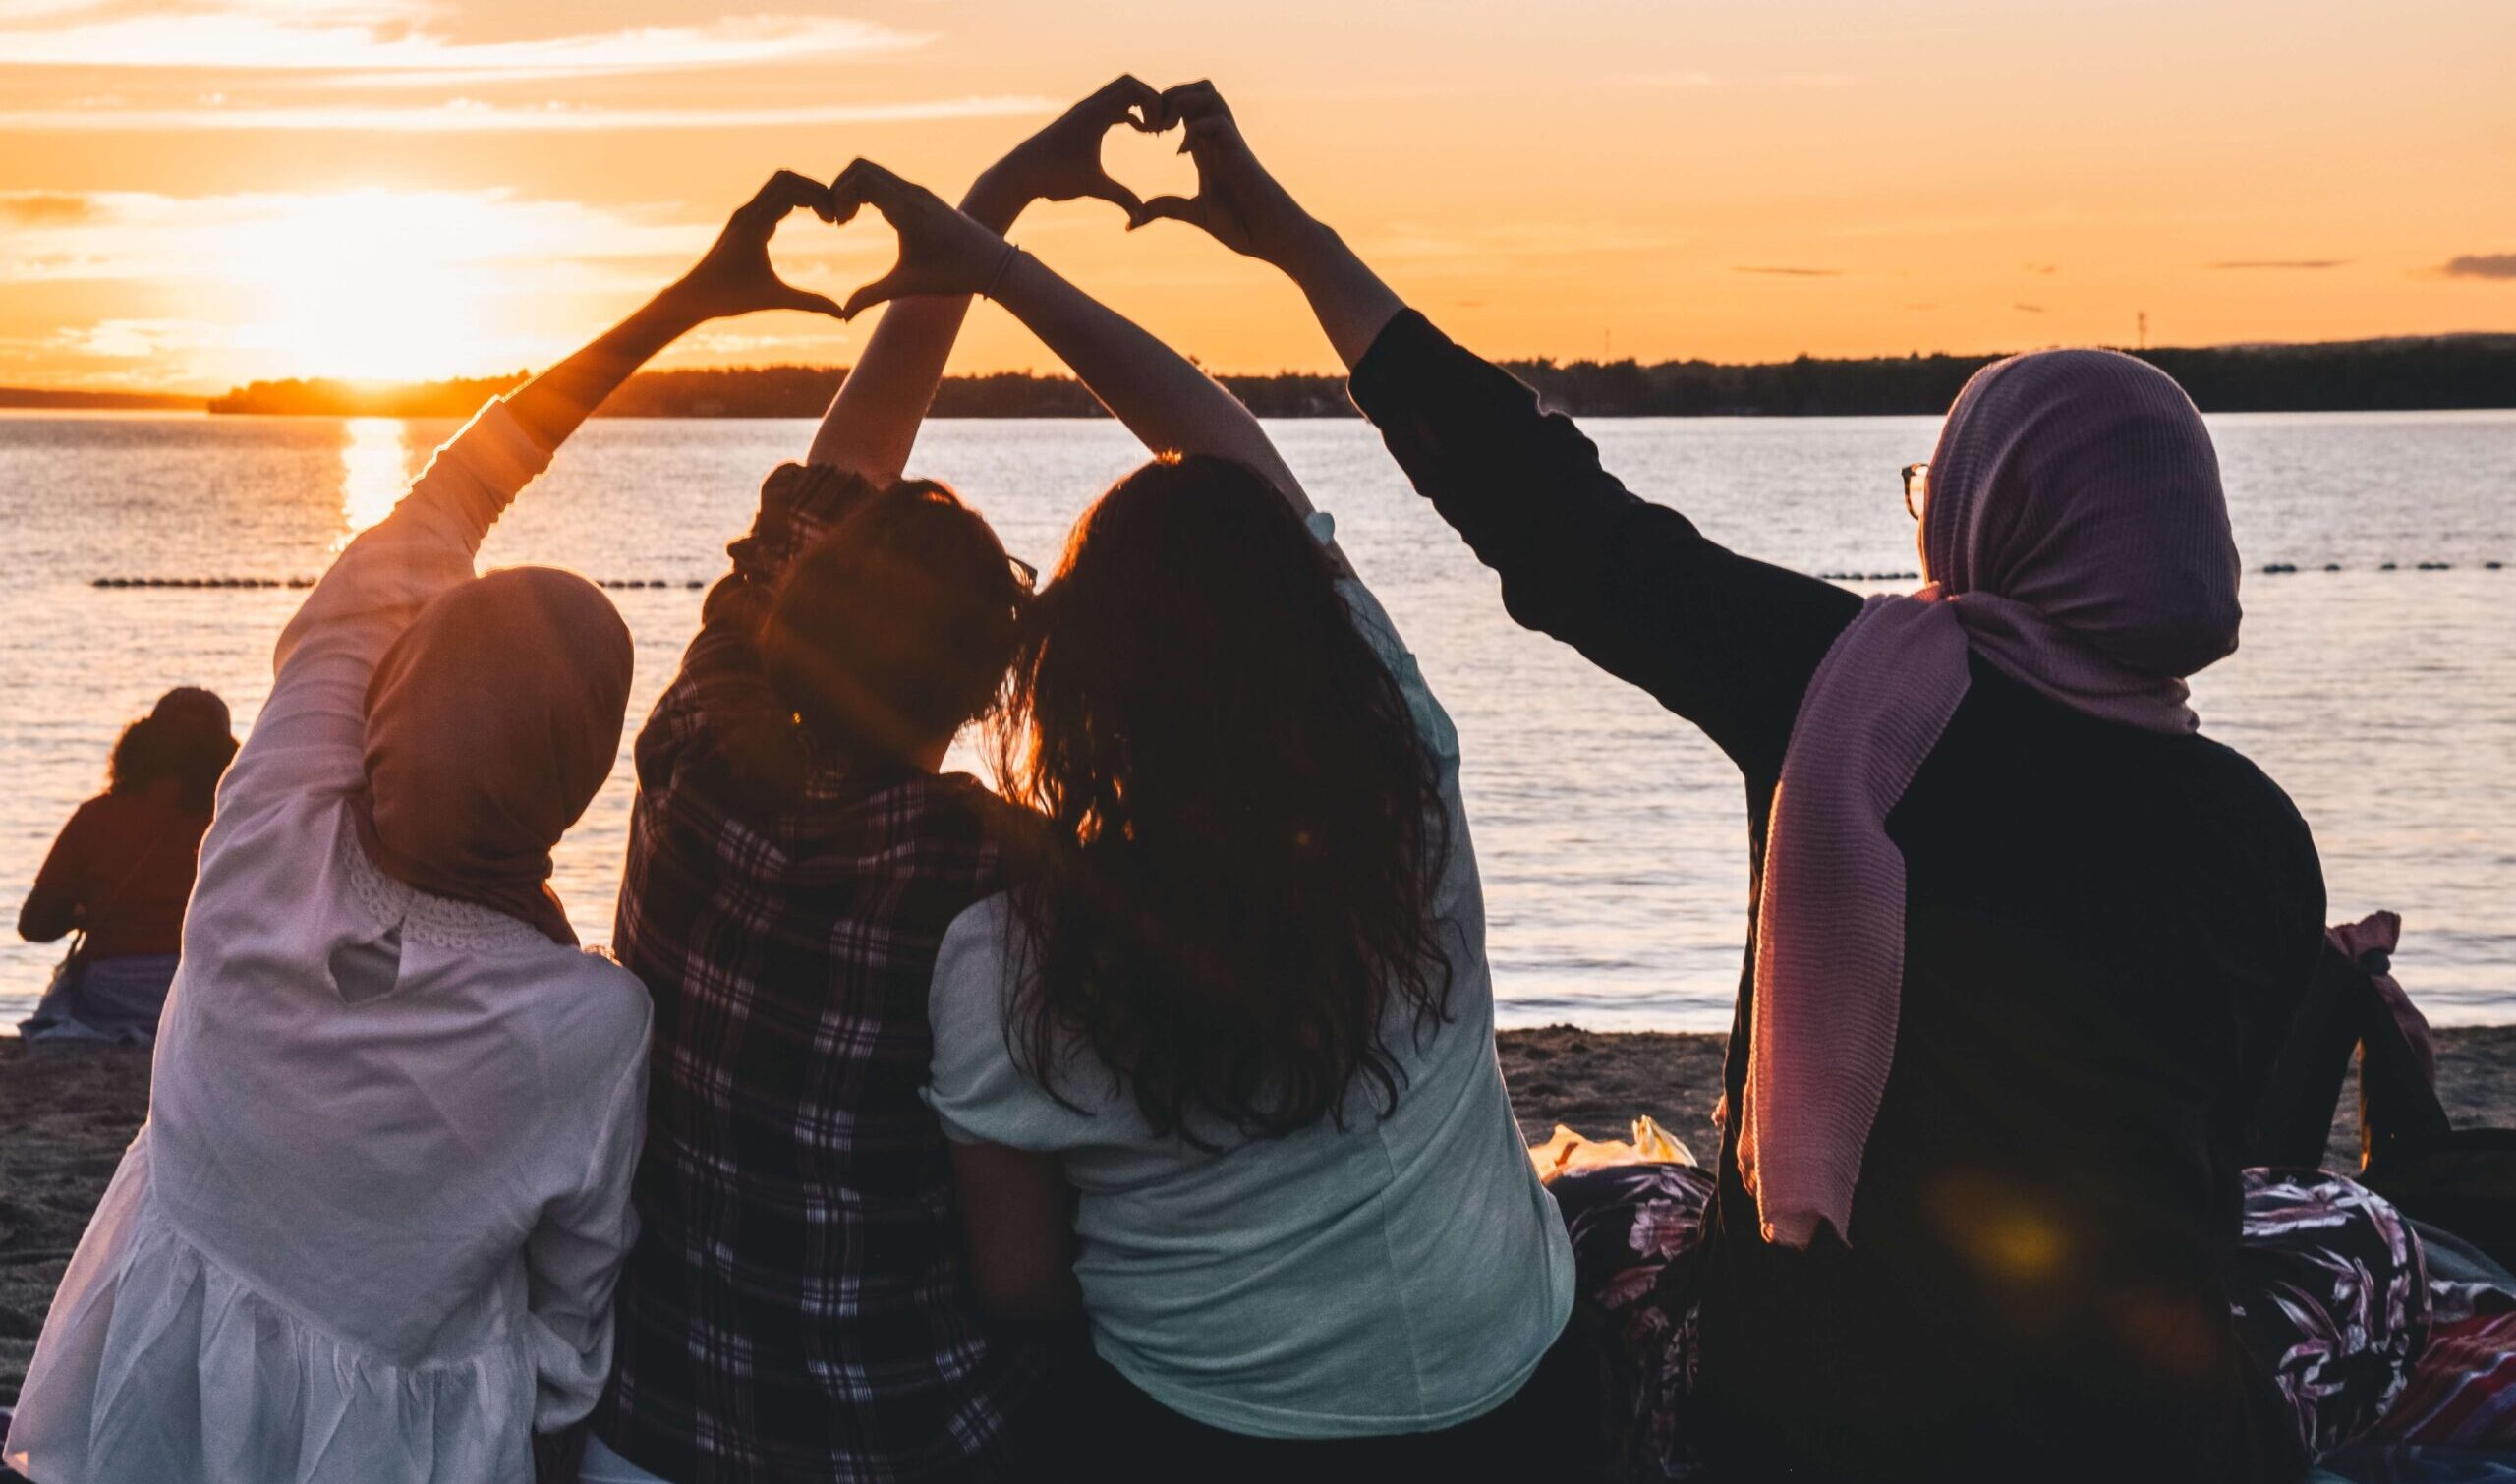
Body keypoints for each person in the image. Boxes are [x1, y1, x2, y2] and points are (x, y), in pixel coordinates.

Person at [1129, 83, 2356, 1481]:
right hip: (2142, 1433)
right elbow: (2232, 1160)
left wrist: (1294, 242)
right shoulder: (2256, 834)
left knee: (1598, 1213)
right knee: (2360, 1241)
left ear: (1992, 510)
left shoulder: (1842, 690)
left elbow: (1546, 507)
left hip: (1809, 1420)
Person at [3, 175, 847, 1484]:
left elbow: (453, 494)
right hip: (396, 1443)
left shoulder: (270, 821)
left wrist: (683, 301)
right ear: (571, 792)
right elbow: (574, 1307)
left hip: (153, 1382)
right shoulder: (589, 1021)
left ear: (376, 712)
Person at [806, 155, 1582, 1479]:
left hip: (1221, 1436)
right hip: (1517, 1396)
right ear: (1309, 638)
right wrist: (999, 266)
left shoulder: (1010, 950)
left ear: (1077, 677)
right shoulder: (1412, 786)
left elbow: (1022, 1283)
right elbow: (1231, 460)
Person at [588, 85, 1167, 1484]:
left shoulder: (691, 743)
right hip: (896, 1437)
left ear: (795, 612)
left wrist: (991, 204)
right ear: (984, 692)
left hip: (655, 1421)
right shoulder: (995, 866)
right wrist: (995, 217)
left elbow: (838, 466)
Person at [16, 687, 237, 1044]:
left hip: (111, 993)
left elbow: (35, 926)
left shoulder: (97, 817)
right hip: (202, 990)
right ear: (228, 753)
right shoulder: (239, 823)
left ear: (144, 744)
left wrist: (83, 911)